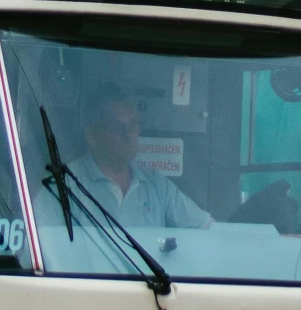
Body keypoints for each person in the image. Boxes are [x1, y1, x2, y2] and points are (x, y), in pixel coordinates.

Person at [75, 86, 210, 230]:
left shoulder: (156, 185)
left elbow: (205, 228)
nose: (129, 134)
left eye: (134, 125)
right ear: (92, 136)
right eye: (117, 126)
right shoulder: (66, 182)